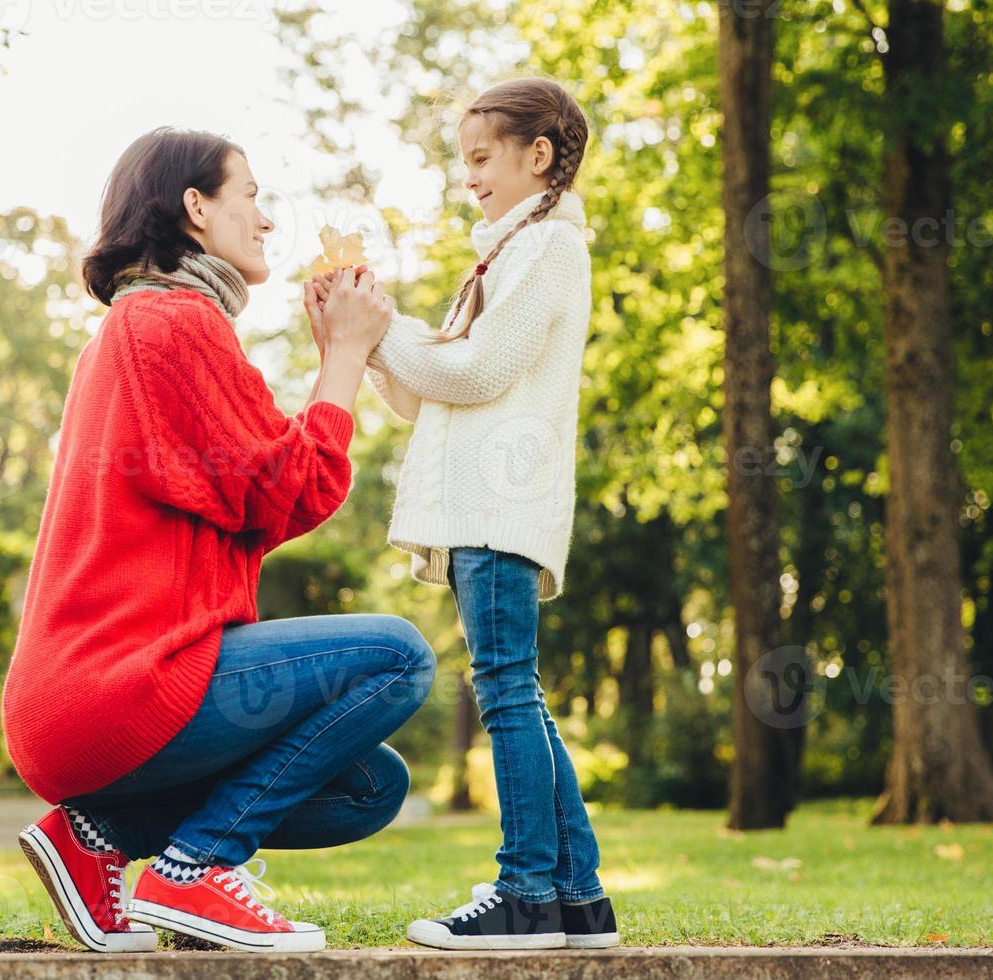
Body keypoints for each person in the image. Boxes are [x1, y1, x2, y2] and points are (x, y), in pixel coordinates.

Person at [1, 127, 436, 954]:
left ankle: (93, 835)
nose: (267, 221)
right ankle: (196, 868)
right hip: (124, 685)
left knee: (370, 787)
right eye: (252, 198)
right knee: (399, 657)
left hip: (82, 700)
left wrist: (331, 360)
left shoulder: (136, 330)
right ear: (195, 208)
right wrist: (343, 354)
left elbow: (255, 499)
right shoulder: (174, 323)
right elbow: (293, 489)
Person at [311, 77, 619, 951]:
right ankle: (578, 897)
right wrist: (364, 340)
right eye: (464, 163)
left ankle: (526, 892)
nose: (469, 178)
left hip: (498, 505)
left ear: (539, 156)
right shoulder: (502, 256)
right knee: (520, 691)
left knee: (508, 694)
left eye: (481, 159)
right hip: (481, 508)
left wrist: (381, 324)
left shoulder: (548, 252)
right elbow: (425, 396)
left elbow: (477, 374)